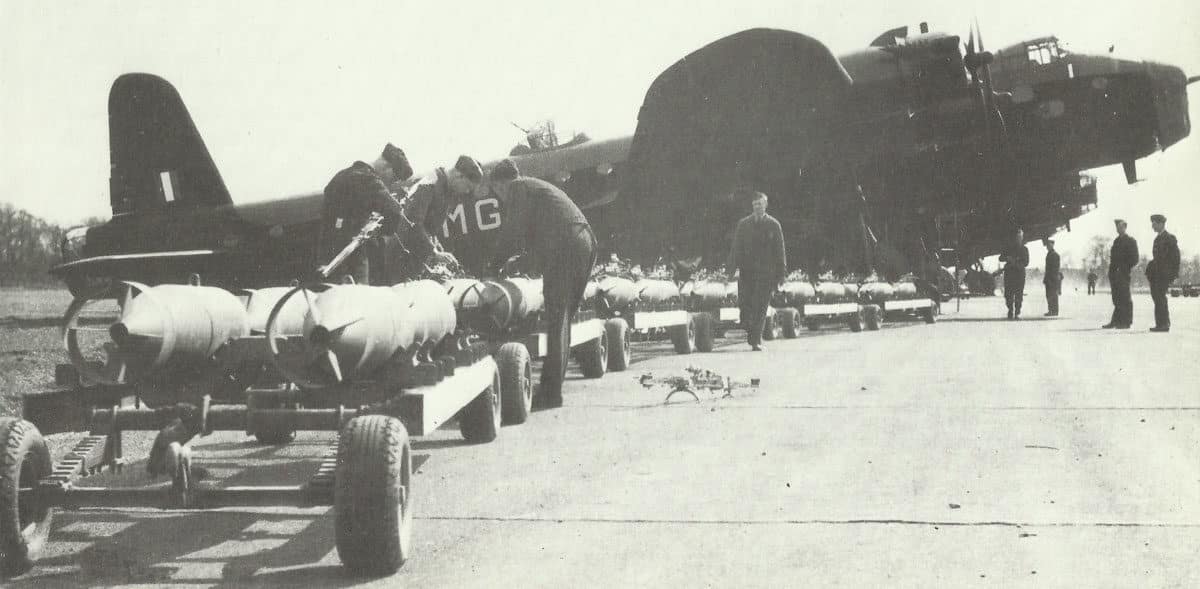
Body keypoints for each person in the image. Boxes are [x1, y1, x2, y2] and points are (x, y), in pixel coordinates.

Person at [485, 159, 597, 407]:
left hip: (567, 244)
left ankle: (550, 393)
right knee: (562, 318)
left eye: (497, 192)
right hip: (582, 241)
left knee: (557, 317)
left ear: (501, 185)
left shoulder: (518, 188)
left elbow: (512, 232)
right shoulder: (536, 190)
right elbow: (534, 238)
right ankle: (552, 388)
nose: (501, 198)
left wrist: (493, 266)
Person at [318, 143, 415, 284]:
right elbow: (395, 213)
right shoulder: (369, 179)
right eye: (394, 178)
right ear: (387, 167)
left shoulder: (340, 176)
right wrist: (381, 231)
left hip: (328, 255)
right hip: (353, 256)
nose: (390, 183)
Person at [726, 190, 787, 351]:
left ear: (765, 205)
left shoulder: (774, 224)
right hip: (747, 273)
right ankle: (749, 329)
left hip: (766, 274)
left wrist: (781, 274)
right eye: (754, 204)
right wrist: (730, 270)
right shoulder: (743, 224)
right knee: (745, 305)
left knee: (760, 307)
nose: (757, 207)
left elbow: (780, 251)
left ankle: (755, 341)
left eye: (759, 204)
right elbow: (736, 248)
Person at [1146, 214, 1180, 332]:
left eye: (1154, 224)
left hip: (1164, 274)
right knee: (1157, 297)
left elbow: (1176, 258)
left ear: (1161, 224)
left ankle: (1164, 324)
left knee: (1160, 297)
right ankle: (1160, 323)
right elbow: (1157, 259)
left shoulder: (1170, 238)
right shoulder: (1157, 239)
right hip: (1156, 275)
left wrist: (1173, 274)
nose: (1152, 226)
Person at [1103, 219, 1139, 329]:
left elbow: (1135, 259)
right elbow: (1113, 258)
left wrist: (1124, 268)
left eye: (1120, 226)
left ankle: (1126, 322)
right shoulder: (1116, 241)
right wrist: (1111, 272)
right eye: (1117, 227)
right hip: (1114, 274)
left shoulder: (1131, 241)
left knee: (1125, 297)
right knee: (1116, 298)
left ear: (1125, 227)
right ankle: (1116, 321)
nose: (1118, 229)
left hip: (1123, 273)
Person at [997, 228, 1029, 320]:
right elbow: (1000, 258)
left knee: (1019, 294)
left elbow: (1026, 262)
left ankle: (1017, 312)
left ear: (1022, 238)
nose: (1018, 238)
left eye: (1020, 237)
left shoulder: (1024, 249)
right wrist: (1008, 258)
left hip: (1019, 274)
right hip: (1010, 274)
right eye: (1017, 237)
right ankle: (1010, 310)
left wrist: (1016, 262)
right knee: (1008, 294)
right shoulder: (1008, 248)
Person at [1043, 237, 1061, 316]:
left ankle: (1054, 311)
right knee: (1049, 295)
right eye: (1047, 245)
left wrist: (1051, 279)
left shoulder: (1054, 255)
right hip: (1049, 278)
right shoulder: (1051, 254)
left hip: (1052, 278)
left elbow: (1055, 268)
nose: (1047, 246)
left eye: (1049, 245)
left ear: (1052, 245)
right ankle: (1051, 310)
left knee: (1052, 295)